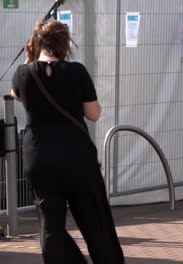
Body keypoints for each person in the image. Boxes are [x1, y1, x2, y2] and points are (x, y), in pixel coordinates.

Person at [10, 20, 124, 263]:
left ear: (35, 43)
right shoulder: (76, 71)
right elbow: (93, 114)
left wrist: (29, 59)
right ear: (65, 43)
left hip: (39, 157)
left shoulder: (23, 73)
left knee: (50, 221)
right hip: (76, 156)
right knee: (95, 220)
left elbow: (16, 95)